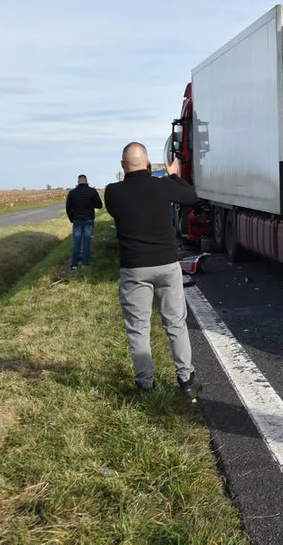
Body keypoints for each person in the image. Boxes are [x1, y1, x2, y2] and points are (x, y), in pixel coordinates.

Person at [104, 142, 203, 397]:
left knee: (139, 328)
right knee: (175, 324)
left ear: (123, 166)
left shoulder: (113, 193)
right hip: (167, 265)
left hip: (135, 268)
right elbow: (191, 197)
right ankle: (187, 380)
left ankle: (146, 384)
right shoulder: (163, 186)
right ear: (148, 164)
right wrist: (172, 175)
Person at [65, 174, 103, 270]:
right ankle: (85, 264)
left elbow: (68, 208)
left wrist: (71, 219)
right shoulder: (92, 191)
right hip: (89, 220)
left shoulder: (72, 193)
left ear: (78, 182)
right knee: (87, 242)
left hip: (77, 220)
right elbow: (99, 205)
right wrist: (90, 203)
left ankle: (74, 265)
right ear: (87, 181)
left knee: (76, 243)